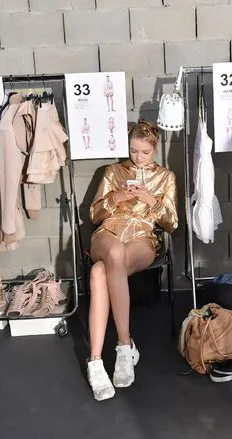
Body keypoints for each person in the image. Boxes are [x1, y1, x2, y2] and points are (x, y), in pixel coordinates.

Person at [86, 119, 178, 401]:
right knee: (112, 253)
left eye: (145, 152)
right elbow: (94, 214)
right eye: (134, 151)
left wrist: (152, 200)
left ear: (155, 149)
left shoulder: (166, 177)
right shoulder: (113, 171)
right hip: (110, 230)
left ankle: (96, 360)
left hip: (143, 236)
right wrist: (117, 196)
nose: (138, 157)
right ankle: (124, 346)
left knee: (99, 274)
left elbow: (172, 223)